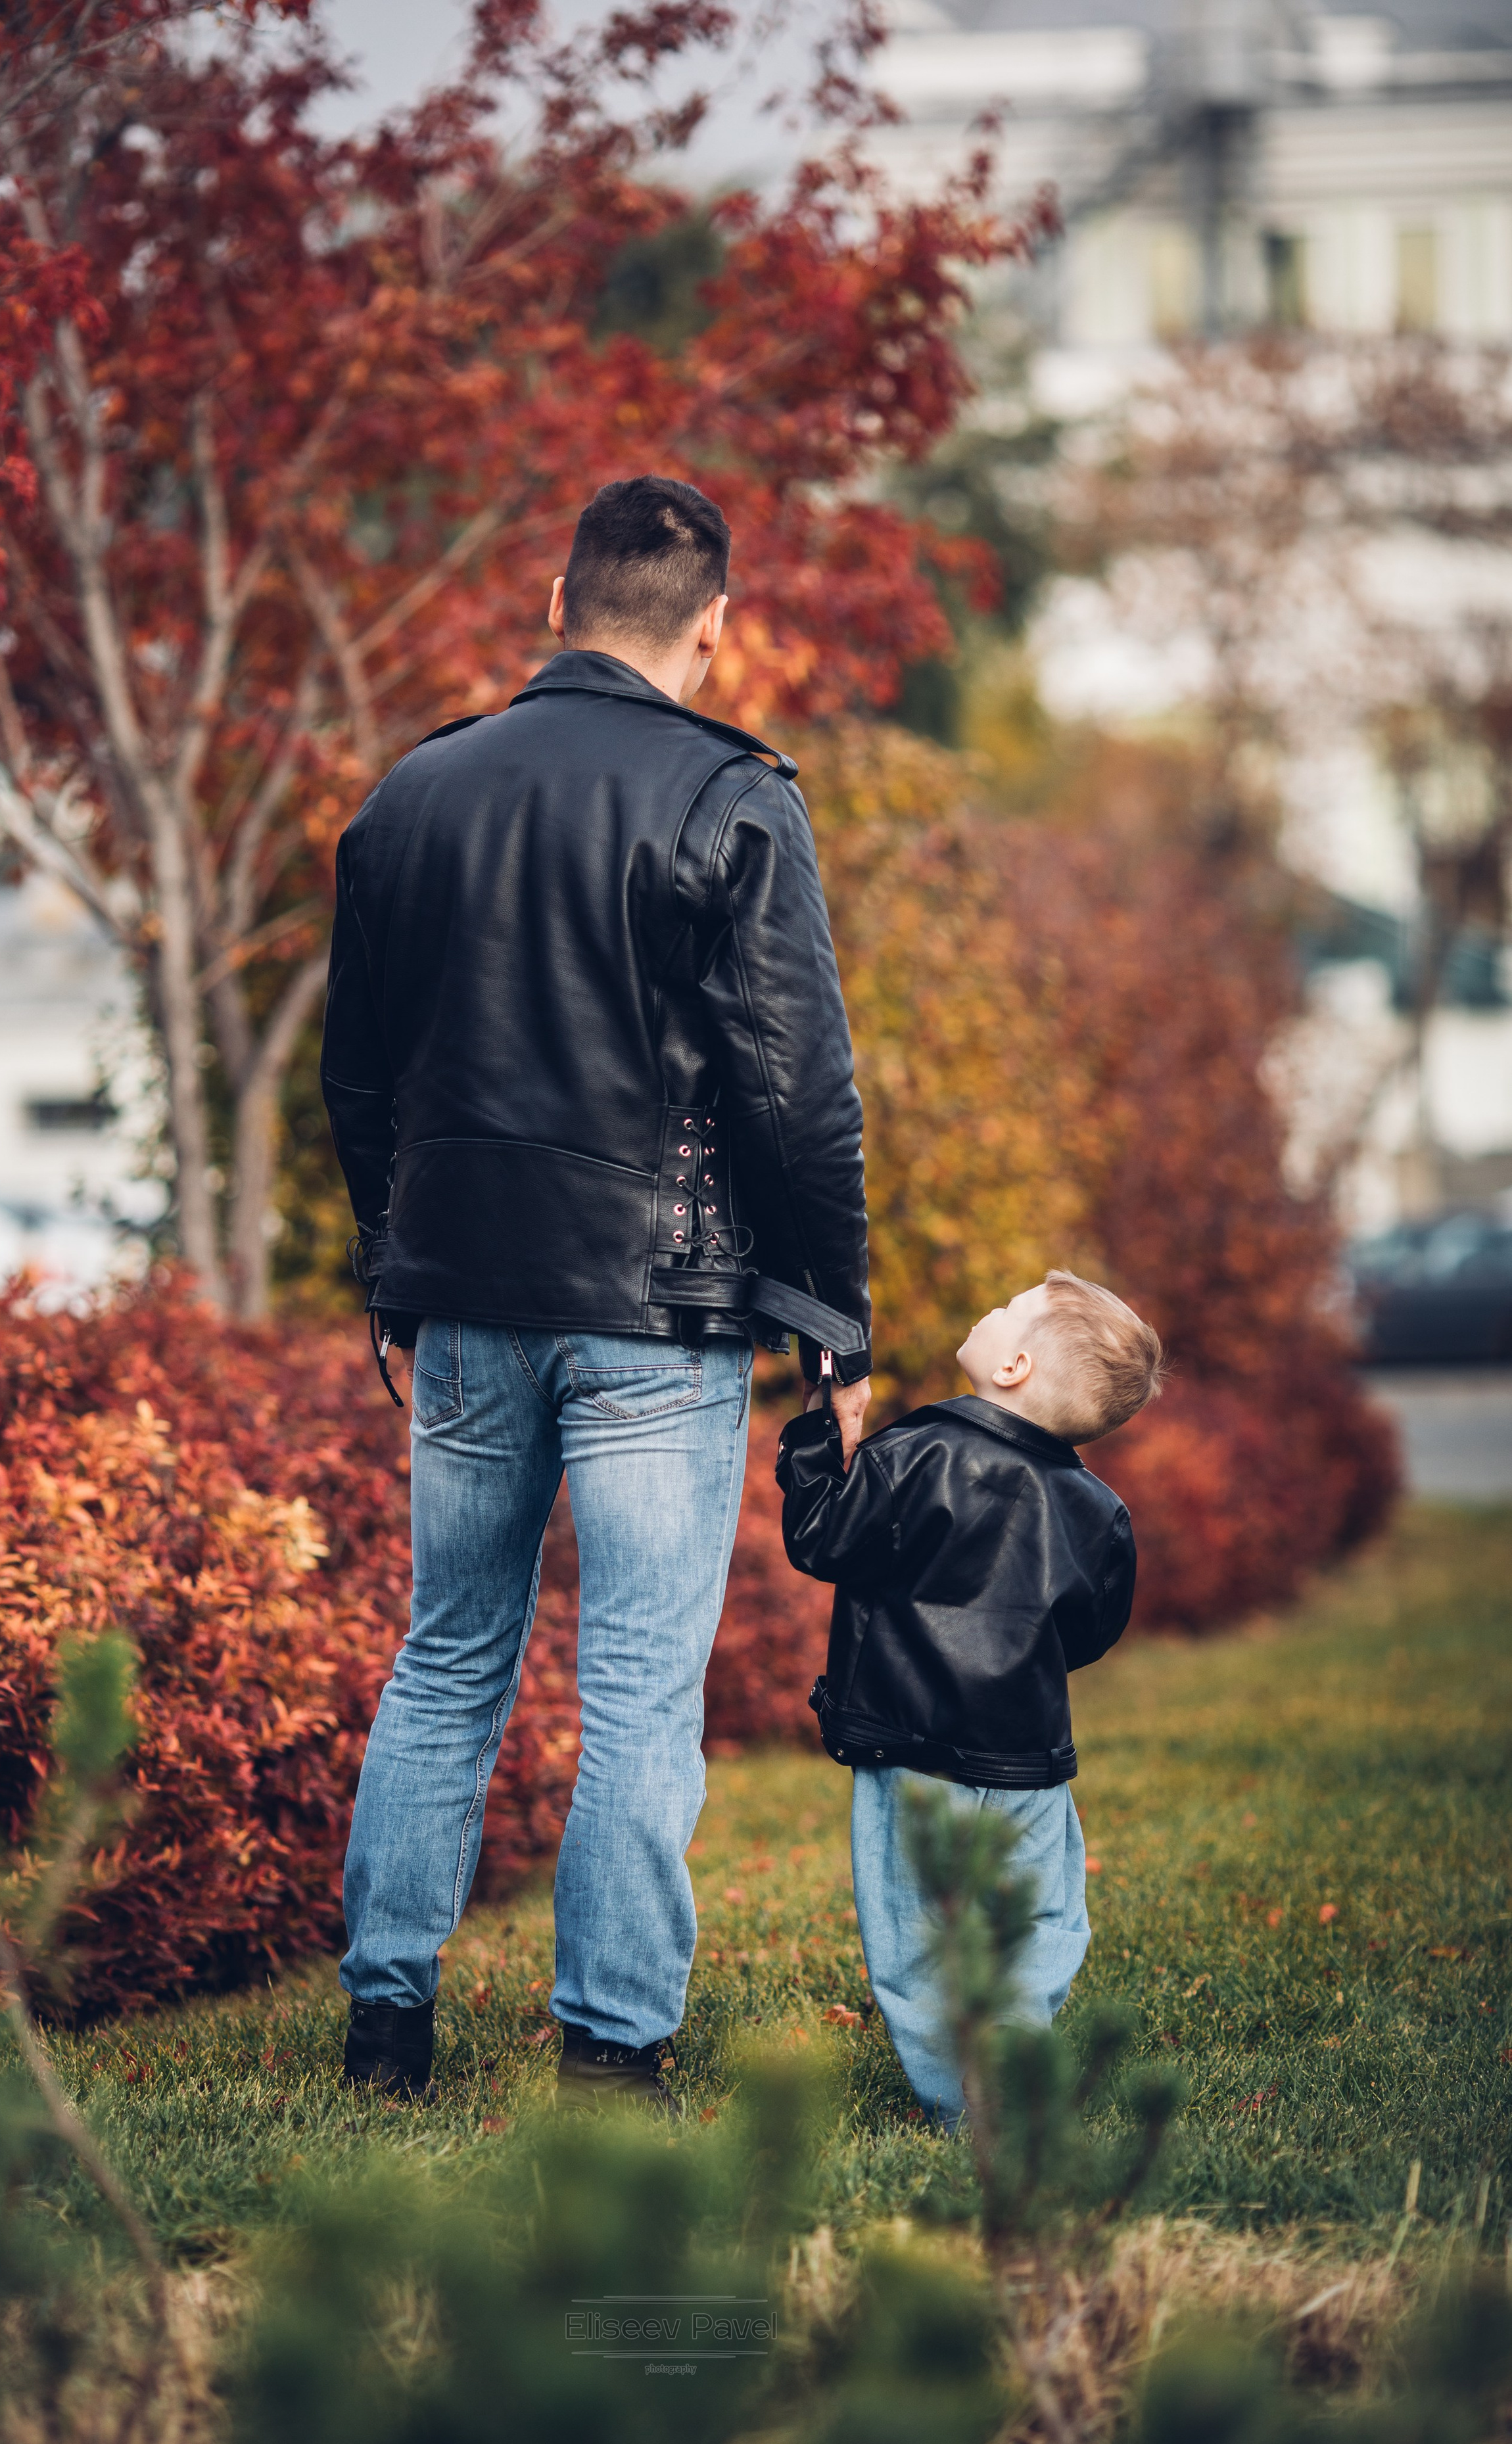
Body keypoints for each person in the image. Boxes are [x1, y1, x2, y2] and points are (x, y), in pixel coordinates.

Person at [321, 473, 872, 2109]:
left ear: (553, 604)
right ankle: (613, 2051)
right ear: (714, 625)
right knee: (639, 1672)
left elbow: (357, 1076)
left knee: (447, 1649)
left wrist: (389, 1279)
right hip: (658, 1309)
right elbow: (800, 1089)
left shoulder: (412, 791)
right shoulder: (733, 794)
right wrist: (831, 1321)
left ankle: (385, 2022)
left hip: (465, 1291)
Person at [776, 1269, 1164, 2121]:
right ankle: (1016, 2052)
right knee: (1042, 1918)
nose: (993, 1307)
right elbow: (1093, 1629)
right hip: (1028, 1760)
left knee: (918, 1942)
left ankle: (971, 2107)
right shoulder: (1099, 1511)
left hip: (912, 1756)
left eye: (1009, 1308)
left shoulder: (915, 1455)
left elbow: (819, 1535)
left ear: (1016, 1365)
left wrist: (814, 1430)